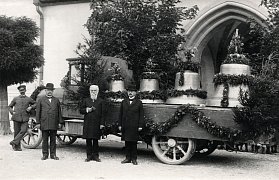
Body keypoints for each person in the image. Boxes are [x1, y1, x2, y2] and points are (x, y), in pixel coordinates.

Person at [36, 83, 64, 160]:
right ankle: (45, 154)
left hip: (53, 122)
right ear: (45, 91)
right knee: (45, 139)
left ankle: (53, 154)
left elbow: (59, 112)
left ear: (53, 91)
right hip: (44, 122)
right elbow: (38, 112)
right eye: (48, 90)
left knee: (53, 139)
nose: (49, 92)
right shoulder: (41, 100)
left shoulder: (56, 100)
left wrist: (60, 122)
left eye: (51, 90)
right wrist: (38, 123)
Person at [118, 84, 144, 165]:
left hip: (134, 126)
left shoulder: (139, 103)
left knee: (133, 143)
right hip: (126, 125)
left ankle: (134, 158)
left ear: (135, 93)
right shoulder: (123, 102)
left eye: (132, 91)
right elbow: (120, 114)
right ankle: (127, 158)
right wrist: (120, 125)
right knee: (127, 142)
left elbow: (141, 115)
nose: (130, 93)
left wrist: (140, 125)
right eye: (129, 91)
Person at [80, 85, 106, 162]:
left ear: (97, 91)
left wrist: (102, 124)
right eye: (92, 91)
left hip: (96, 124)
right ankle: (89, 156)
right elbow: (81, 110)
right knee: (88, 140)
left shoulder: (101, 101)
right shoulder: (86, 100)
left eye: (95, 90)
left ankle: (95, 156)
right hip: (88, 123)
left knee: (95, 140)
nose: (93, 92)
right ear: (90, 91)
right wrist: (87, 110)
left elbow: (103, 114)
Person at [9, 85, 36, 151]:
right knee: (17, 132)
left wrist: (31, 107)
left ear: (25, 90)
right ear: (19, 91)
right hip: (16, 117)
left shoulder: (29, 99)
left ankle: (14, 142)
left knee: (24, 130)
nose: (22, 91)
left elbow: (36, 103)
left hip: (25, 118)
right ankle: (17, 147)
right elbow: (10, 106)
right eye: (21, 90)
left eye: (23, 90)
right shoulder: (15, 98)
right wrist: (12, 112)